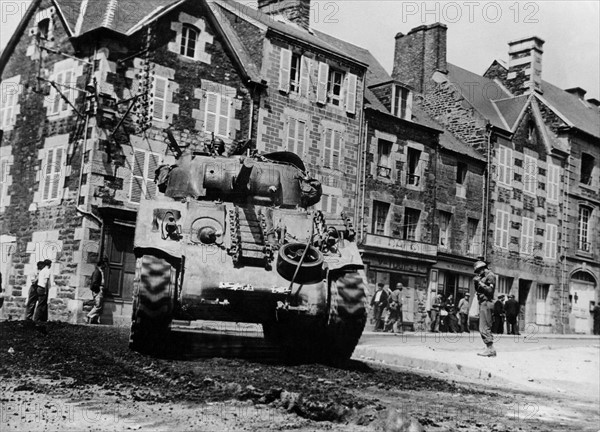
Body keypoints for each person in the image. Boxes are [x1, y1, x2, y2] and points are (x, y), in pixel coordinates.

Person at [473, 260, 496, 357]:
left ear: (482, 268)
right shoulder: (482, 277)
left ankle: (490, 349)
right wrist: (476, 283)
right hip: (482, 302)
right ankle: (489, 347)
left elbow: (490, 291)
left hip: (487, 302)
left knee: (484, 327)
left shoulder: (490, 276)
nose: (478, 273)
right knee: (483, 326)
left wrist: (480, 283)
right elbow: (478, 290)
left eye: (478, 271)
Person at [87, 259, 107, 324]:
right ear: (101, 265)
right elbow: (94, 283)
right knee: (98, 306)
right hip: (98, 290)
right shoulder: (97, 272)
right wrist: (98, 290)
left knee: (99, 305)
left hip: (99, 289)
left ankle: (95, 320)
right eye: (104, 265)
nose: (105, 266)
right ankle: (89, 315)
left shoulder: (100, 271)